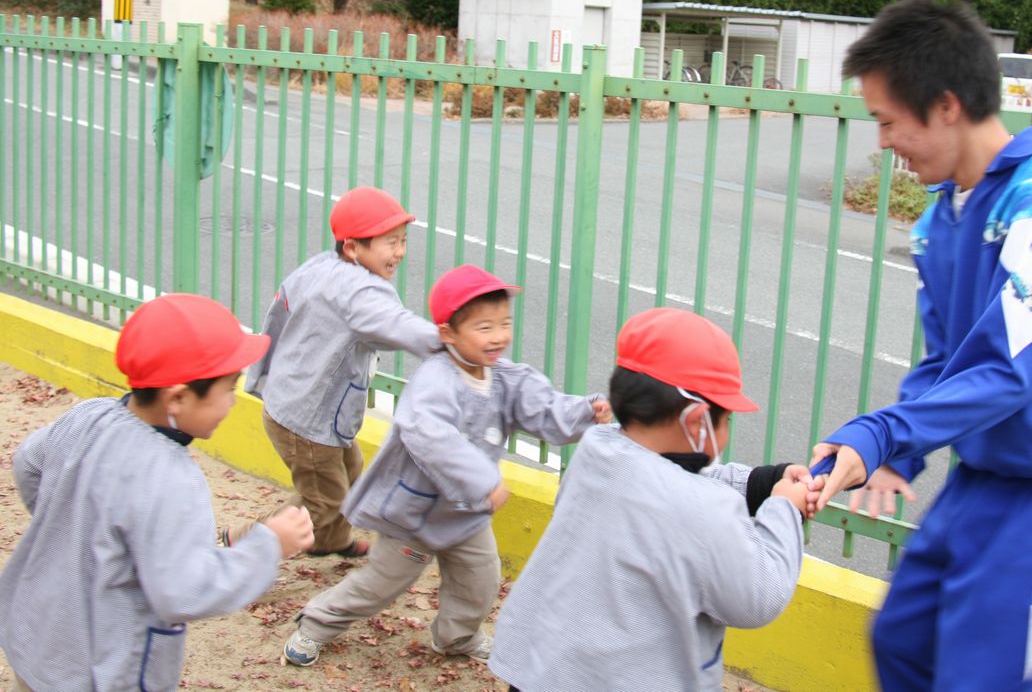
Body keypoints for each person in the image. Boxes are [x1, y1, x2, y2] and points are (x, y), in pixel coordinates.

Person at [808, 0, 1032, 692]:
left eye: (888, 121)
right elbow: (948, 362)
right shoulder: (944, 217)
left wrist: (880, 434)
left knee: (983, 681)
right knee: (904, 639)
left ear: (946, 106)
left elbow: (1008, 371)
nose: (882, 143)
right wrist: (900, 455)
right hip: (990, 477)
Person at [281, 264, 612, 667]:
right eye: (484, 327)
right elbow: (428, 434)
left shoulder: (506, 379)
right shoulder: (436, 380)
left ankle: (456, 637)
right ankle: (316, 623)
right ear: (447, 334)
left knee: (479, 583)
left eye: (504, 324)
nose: (499, 336)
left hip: (467, 517)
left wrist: (583, 412)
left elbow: (543, 408)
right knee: (380, 585)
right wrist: (481, 480)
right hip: (415, 516)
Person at [0, 294, 314, 692]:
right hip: (98, 669)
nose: (234, 401)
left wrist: (68, 525)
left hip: (36, 638)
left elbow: (28, 463)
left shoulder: (88, 415)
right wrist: (268, 546)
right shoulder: (170, 477)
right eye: (228, 388)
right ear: (178, 398)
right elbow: (184, 590)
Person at [489, 307, 811, 692]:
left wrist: (761, 483)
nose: (724, 432)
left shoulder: (599, 450)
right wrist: (784, 509)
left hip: (543, 668)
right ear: (697, 421)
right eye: (725, 421)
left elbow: (675, 483)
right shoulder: (702, 509)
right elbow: (758, 596)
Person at [241, 186, 442, 558]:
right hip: (308, 420)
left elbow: (279, 313)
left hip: (295, 403)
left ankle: (331, 540)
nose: (399, 252)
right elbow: (395, 325)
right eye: (389, 242)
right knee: (325, 501)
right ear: (352, 247)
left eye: (402, 240)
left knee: (348, 471)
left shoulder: (321, 266)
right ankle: (243, 543)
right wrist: (449, 340)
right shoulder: (360, 293)